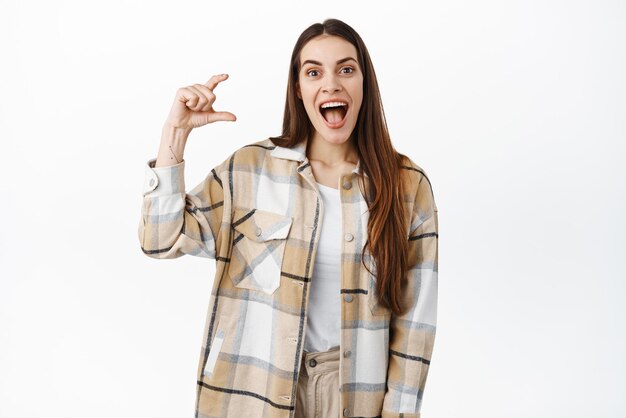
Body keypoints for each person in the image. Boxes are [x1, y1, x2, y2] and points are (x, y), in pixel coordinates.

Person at [138, 18, 438, 418]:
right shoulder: (249, 170)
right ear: (299, 89)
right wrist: (174, 133)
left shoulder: (407, 186)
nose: (330, 84)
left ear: (365, 82)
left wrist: (400, 411)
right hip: (256, 388)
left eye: (346, 69)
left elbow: (415, 321)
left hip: (353, 395)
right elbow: (160, 240)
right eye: (314, 72)